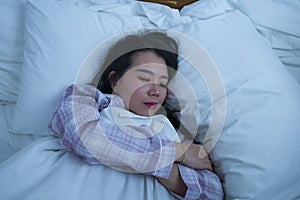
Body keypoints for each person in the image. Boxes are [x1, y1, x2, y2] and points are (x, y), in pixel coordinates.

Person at [49, 31, 223, 199]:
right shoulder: (85, 97)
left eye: (162, 83)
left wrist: (148, 161)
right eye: (145, 79)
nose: (156, 91)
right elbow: (85, 137)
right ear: (115, 81)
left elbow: (212, 192)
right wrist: (177, 154)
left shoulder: (173, 131)